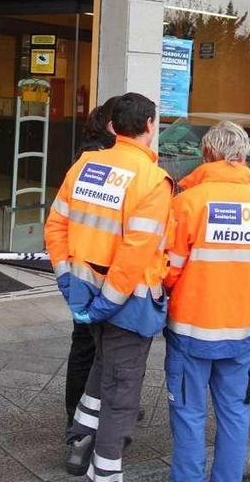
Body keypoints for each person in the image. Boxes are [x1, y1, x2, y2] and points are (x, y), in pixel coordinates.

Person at [44, 92, 173, 479]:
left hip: (86, 295)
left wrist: (70, 283)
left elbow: (56, 226)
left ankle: (82, 433)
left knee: (102, 368)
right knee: (122, 393)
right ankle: (106, 472)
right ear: (150, 127)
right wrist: (108, 302)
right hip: (127, 305)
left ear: (113, 127)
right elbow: (135, 254)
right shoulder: (154, 181)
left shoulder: (85, 165)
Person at [163, 121, 250, 481]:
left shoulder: (186, 203)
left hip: (190, 331)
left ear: (207, 153)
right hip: (240, 331)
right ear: (243, 156)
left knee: (188, 415)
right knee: (234, 414)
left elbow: (168, 270)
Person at [64, 96, 118, 428]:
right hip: (104, 268)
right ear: (115, 126)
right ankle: (89, 415)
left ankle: (75, 416)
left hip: (83, 268)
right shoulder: (106, 162)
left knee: (85, 344)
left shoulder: (83, 158)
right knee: (102, 347)